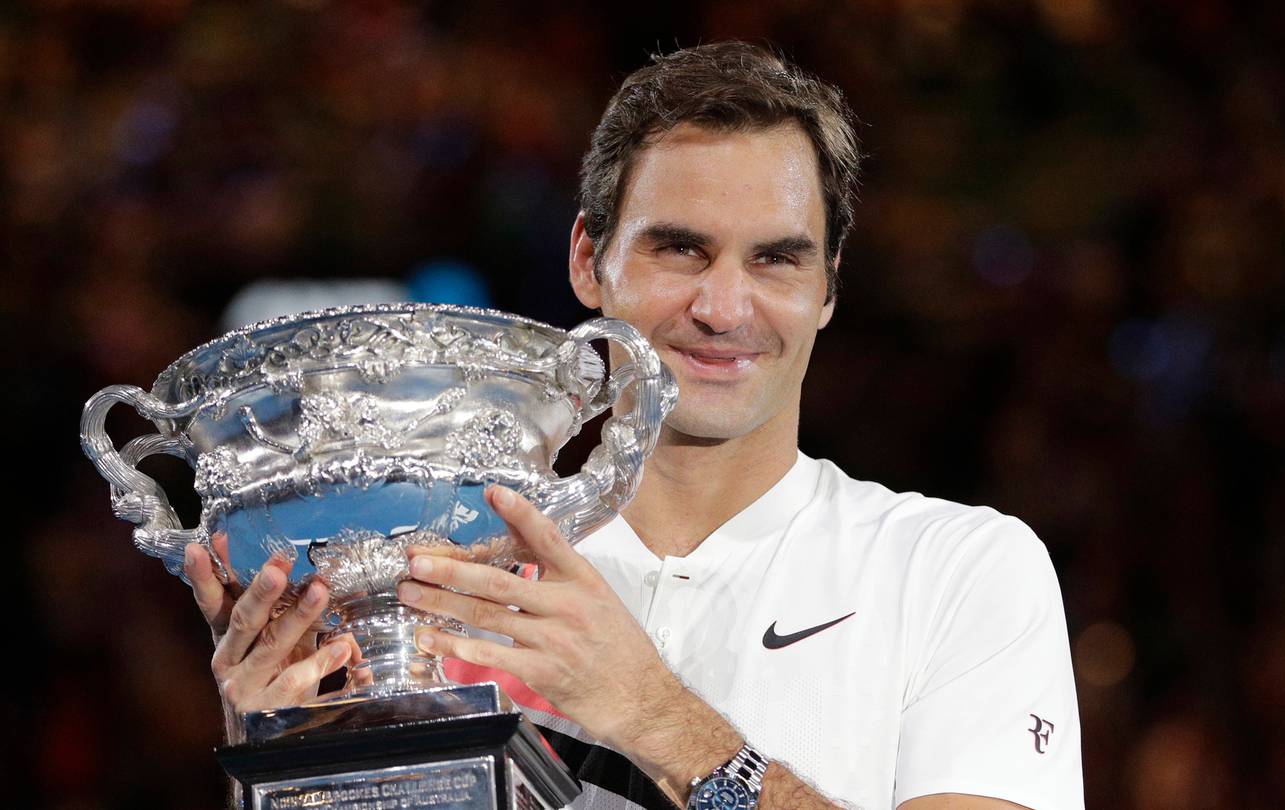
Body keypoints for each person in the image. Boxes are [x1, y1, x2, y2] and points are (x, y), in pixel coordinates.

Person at [186, 41, 1085, 810]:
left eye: (776, 259)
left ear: (828, 289)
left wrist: (659, 719)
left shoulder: (954, 570)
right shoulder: (434, 574)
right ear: (589, 260)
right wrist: (287, 768)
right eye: (680, 249)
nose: (723, 308)